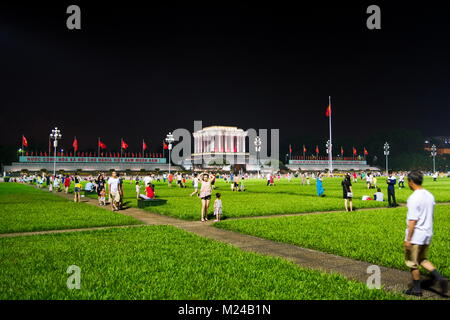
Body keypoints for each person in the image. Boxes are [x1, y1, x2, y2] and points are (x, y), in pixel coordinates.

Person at [403, 170, 448, 297]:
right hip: (427, 233)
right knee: (422, 259)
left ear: (411, 182)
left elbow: (412, 220)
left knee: (412, 262)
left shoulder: (413, 198)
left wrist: (408, 239)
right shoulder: (429, 195)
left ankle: (416, 289)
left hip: (416, 235)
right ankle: (440, 278)